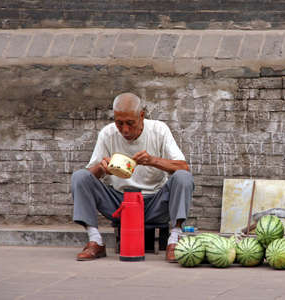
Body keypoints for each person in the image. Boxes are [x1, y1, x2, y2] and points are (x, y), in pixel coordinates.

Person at [71, 92, 193, 262]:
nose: (125, 130)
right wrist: (102, 168)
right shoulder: (107, 134)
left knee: (183, 177)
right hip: (120, 205)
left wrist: (153, 161)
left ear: (141, 116)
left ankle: (175, 240)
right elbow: (88, 177)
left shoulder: (159, 130)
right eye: (119, 123)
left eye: (130, 123)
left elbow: (183, 167)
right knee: (79, 177)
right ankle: (95, 241)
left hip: (155, 203)